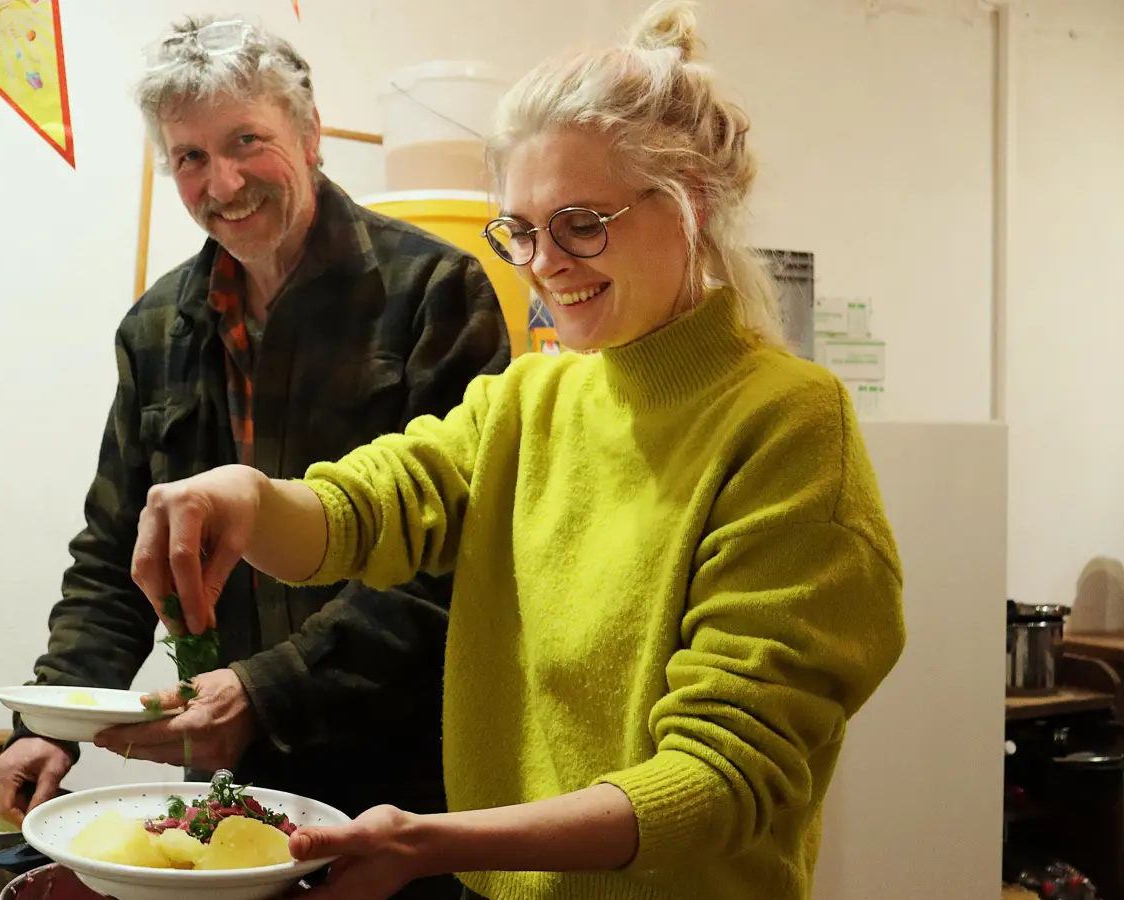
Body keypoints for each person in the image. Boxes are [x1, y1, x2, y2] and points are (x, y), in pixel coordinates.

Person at [126, 3, 908, 899]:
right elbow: (375, 504)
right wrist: (247, 500)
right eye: (522, 230)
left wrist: (435, 842)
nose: (544, 265)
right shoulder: (535, 398)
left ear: (689, 201)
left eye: (581, 223)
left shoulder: (789, 426)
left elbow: (724, 779)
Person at [0, 14, 511, 900]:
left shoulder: (437, 294)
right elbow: (118, 550)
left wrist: (268, 689)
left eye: (246, 141)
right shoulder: (157, 326)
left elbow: (457, 562)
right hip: (230, 770)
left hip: (410, 773)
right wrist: (52, 720)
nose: (222, 182)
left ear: (309, 137)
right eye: (190, 157)